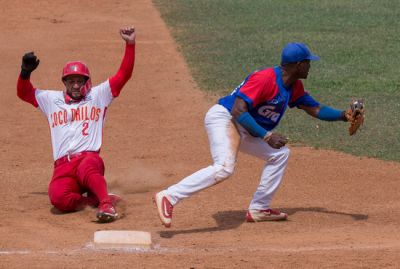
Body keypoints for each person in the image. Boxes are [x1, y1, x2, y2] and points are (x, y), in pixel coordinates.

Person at [154, 42, 351, 228]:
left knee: (279, 154)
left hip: (247, 126)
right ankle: (169, 196)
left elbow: (315, 108)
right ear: (298, 65)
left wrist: (344, 116)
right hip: (225, 118)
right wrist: (266, 136)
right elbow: (238, 110)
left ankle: (259, 208)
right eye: (308, 62)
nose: (310, 66)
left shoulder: (294, 86)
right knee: (224, 168)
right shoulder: (265, 79)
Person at [17, 26, 136, 223]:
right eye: (70, 81)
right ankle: (95, 199)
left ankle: (107, 205)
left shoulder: (98, 96)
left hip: (88, 160)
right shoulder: (51, 100)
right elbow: (24, 93)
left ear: (86, 82)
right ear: (65, 83)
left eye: (78, 81)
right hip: (63, 166)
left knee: (88, 167)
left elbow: (124, 75)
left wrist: (130, 44)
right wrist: (24, 73)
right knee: (58, 198)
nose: (74, 85)